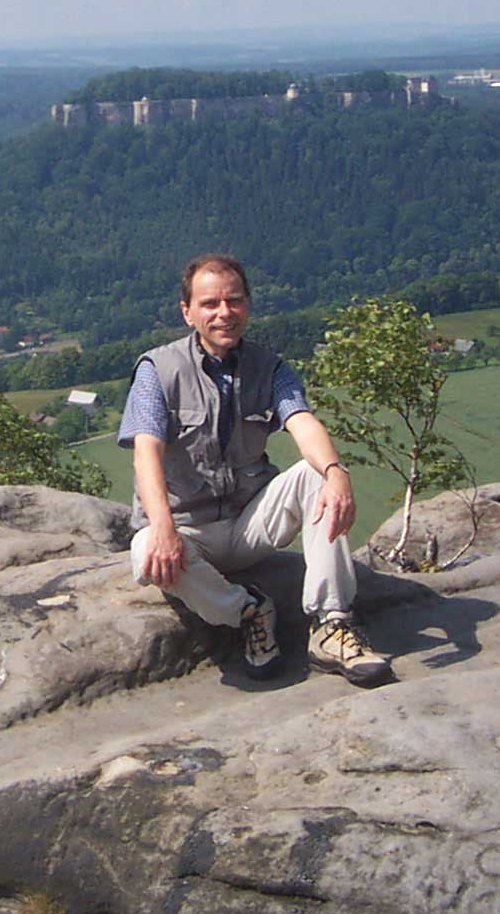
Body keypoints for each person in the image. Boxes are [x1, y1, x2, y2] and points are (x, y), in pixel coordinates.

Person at [118, 254, 393, 686]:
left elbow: (301, 420)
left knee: (319, 478)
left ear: (248, 305)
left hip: (249, 522)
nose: (224, 312)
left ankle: (331, 624)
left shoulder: (270, 367)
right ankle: (248, 611)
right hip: (188, 529)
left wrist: (337, 473)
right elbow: (145, 452)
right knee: (146, 551)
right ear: (187, 312)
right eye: (210, 303)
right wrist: (164, 528)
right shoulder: (158, 371)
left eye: (234, 300)